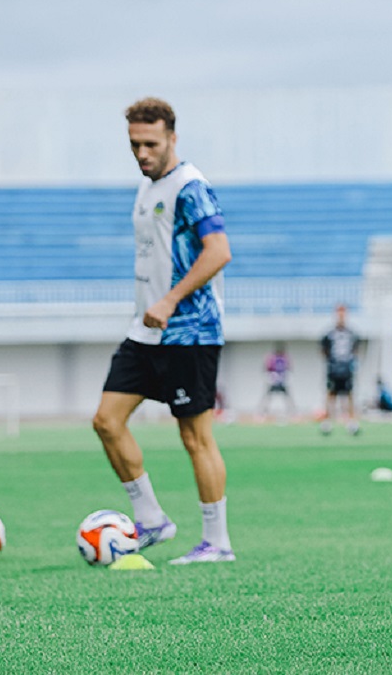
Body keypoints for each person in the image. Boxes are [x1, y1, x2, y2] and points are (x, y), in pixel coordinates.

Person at [91, 97, 237, 565]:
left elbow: (218, 251)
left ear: (172, 137)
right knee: (106, 421)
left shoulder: (191, 187)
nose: (141, 153)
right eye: (134, 144)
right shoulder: (145, 187)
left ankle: (217, 543)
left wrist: (170, 300)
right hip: (145, 332)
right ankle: (151, 520)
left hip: (188, 331)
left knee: (195, 438)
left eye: (150, 143)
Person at [320, 304, 362, 436]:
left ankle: (351, 422)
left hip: (347, 370)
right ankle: (327, 422)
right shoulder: (329, 334)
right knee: (331, 395)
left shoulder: (351, 334)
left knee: (349, 395)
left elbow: (355, 350)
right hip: (333, 369)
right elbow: (324, 350)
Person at [258, 342, 296, 421]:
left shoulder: (285, 358)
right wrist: (270, 377)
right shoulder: (272, 358)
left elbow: (289, 368)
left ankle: (292, 412)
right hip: (274, 380)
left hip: (282, 380)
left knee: (287, 397)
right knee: (268, 397)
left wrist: (286, 377)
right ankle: (263, 413)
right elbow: (266, 368)